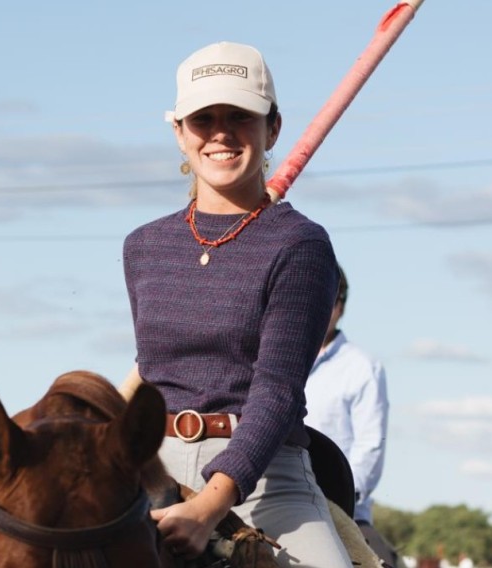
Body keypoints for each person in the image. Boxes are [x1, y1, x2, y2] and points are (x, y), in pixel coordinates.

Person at [122, 41, 352, 567]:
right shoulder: (144, 246)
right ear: (180, 132)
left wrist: (208, 506)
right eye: (204, 118)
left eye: (239, 117)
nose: (221, 133)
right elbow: (152, 369)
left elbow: (276, 392)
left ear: (272, 128)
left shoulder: (301, 246)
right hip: (149, 469)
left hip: (266, 480)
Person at [304, 265, 399, 567]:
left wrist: (334, 499)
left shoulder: (362, 368)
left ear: (340, 307)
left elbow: (370, 448)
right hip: (278, 497)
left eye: (325, 301)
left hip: (343, 509)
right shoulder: (270, 360)